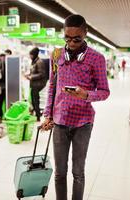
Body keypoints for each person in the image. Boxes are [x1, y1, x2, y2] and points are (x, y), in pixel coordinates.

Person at [41, 14, 110, 200]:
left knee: (78, 172)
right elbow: (52, 87)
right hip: (60, 121)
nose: (71, 43)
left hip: (83, 123)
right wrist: (48, 115)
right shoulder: (57, 55)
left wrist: (86, 94)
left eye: (76, 39)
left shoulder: (97, 59)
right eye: (67, 38)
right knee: (59, 173)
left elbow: (104, 91)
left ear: (85, 33)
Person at [25, 47, 46, 121]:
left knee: (35, 100)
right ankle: (37, 114)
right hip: (34, 84)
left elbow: (42, 74)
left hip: (37, 84)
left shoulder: (39, 62)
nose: (30, 56)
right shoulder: (34, 62)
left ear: (34, 55)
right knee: (33, 100)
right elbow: (34, 72)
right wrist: (29, 75)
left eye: (30, 55)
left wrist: (31, 77)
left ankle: (38, 116)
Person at [0, 49, 12, 119]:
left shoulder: (2, 59)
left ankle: (0, 114)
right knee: (4, 101)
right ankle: (2, 114)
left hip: (1, 84)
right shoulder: (5, 60)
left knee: (0, 101)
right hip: (4, 84)